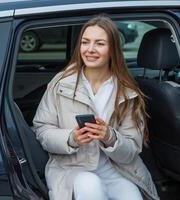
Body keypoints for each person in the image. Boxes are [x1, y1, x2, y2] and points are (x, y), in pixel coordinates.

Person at [33, 15, 159, 200]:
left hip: (116, 170)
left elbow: (132, 149)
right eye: (85, 42)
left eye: (99, 43)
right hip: (72, 169)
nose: (90, 49)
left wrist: (110, 137)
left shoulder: (128, 92)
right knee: (90, 186)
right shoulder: (61, 84)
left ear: (113, 50)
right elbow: (42, 129)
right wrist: (71, 138)